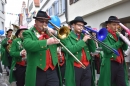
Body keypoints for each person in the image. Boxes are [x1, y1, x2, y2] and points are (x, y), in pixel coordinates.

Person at [22, 11, 61, 86]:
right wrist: (46, 42)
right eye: (41, 21)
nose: (44, 24)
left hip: (52, 70)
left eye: (46, 22)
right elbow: (27, 45)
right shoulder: (29, 32)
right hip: (37, 71)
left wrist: (54, 32)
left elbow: (65, 41)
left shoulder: (50, 32)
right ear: (35, 21)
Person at [61, 16, 96, 86]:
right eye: (79, 25)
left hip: (86, 66)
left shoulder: (84, 35)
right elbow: (70, 50)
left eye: (82, 26)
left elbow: (93, 49)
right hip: (75, 66)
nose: (81, 27)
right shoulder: (67, 36)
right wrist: (83, 41)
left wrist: (91, 38)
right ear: (73, 25)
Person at [98, 16, 128, 86]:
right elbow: (109, 49)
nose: (116, 27)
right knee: (109, 83)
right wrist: (120, 41)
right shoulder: (104, 34)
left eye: (117, 24)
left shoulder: (118, 34)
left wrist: (124, 38)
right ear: (108, 25)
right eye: (114, 24)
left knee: (122, 83)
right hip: (110, 63)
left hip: (120, 63)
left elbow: (125, 48)